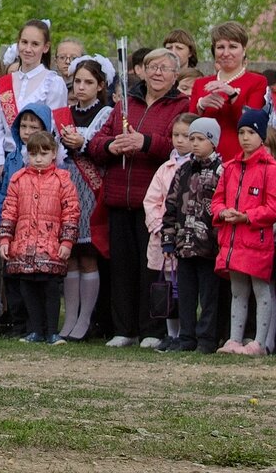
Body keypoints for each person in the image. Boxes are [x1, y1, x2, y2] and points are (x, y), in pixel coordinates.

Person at [87, 48, 187, 348]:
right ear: (141, 71)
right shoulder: (125, 104)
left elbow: (179, 145)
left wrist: (145, 143)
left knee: (154, 269)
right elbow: (96, 142)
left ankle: (153, 330)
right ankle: (124, 328)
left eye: (164, 68)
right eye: (151, 66)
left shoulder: (182, 106)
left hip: (156, 203)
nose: (157, 72)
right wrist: (111, 146)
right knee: (122, 268)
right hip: (119, 197)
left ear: (175, 75)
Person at [0, 131, 79, 344]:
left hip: (50, 246)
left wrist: (67, 242)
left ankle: (51, 330)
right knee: (27, 287)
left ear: (54, 154)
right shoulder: (18, 179)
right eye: (34, 154)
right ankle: (35, 329)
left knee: (50, 289)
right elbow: (9, 212)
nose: (38, 159)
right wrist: (5, 239)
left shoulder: (63, 181)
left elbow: (71, 213)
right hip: (23, 246)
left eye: (44, 153)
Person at [56, 56, 115, 341]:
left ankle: (85, 319)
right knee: (70, 256)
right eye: (77, 81)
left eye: (88, 82)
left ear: (100, 85)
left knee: (88, 254)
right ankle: (70, 317)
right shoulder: (64, 113)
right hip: (67, 187)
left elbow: (101, 147)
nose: (81, 87)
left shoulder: (105, 113)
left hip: (91, 189)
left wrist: (84, 143)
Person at [212, 108, 276, 356]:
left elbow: (272, 207)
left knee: (261, 291)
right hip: (232, 240)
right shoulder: (230, 167)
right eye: (241, 132)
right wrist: (222, 212)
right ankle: (234, 339)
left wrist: (247, 216)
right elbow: (217, 200)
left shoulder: (270, 168)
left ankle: (259, 342)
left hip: (257, 240)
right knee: (237, 291)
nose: (245, 137)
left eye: (251, 132)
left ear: (262, 135)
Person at [159, 117, 222, 353]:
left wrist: (219, 241)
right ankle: (186, 337)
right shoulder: (183, 170)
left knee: (208, 295)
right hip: (183, 244)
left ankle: (206, 338)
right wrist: (168, 240)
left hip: (209, 246)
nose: (194, 143)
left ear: (213, 142)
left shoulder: (221, 170)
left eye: (200, 139)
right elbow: (171, 205)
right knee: (185, 293)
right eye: (190, 138)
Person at [141, 112, 196, 342]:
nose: (180, 140)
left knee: (185, 288)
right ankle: (171, 333)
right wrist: (159, 228)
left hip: (189, 237)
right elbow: (151, 200)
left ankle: (186, 332)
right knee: (167, 288)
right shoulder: (165, 168)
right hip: (165, 239)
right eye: (176, 135)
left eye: (186, 135)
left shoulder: (197, 167)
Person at [0, 20, 69, 172]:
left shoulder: (53, 83)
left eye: (35, 44)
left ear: (45, 47)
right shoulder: (3, 83)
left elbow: (55, 129)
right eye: (24, 42)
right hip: (6, 161)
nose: (28, 49)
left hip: (39, 163)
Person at [190, 21, 267, 162]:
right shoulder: (200, 83)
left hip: (238, 157)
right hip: (203, 160)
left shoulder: (257, 81)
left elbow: (252, 125)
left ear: (243, 50)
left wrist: (233, 96)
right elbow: (188, 126)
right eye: (220, 47)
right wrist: (200, 106)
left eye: (232, 47)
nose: (226, 53)